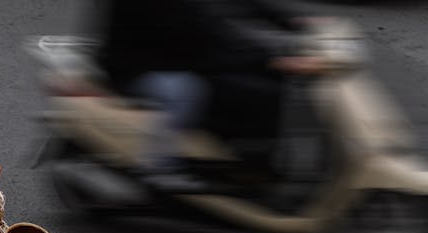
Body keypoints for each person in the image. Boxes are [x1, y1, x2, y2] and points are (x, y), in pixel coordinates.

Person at [93, 0, 325, 191]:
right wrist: (269, 59)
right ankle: (159, 167)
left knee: (269, 88)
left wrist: (294, 20)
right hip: (142, 65)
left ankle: (249, 163)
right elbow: (201, 31)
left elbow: (246, 6)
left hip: (185, 55)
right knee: (185, 91)